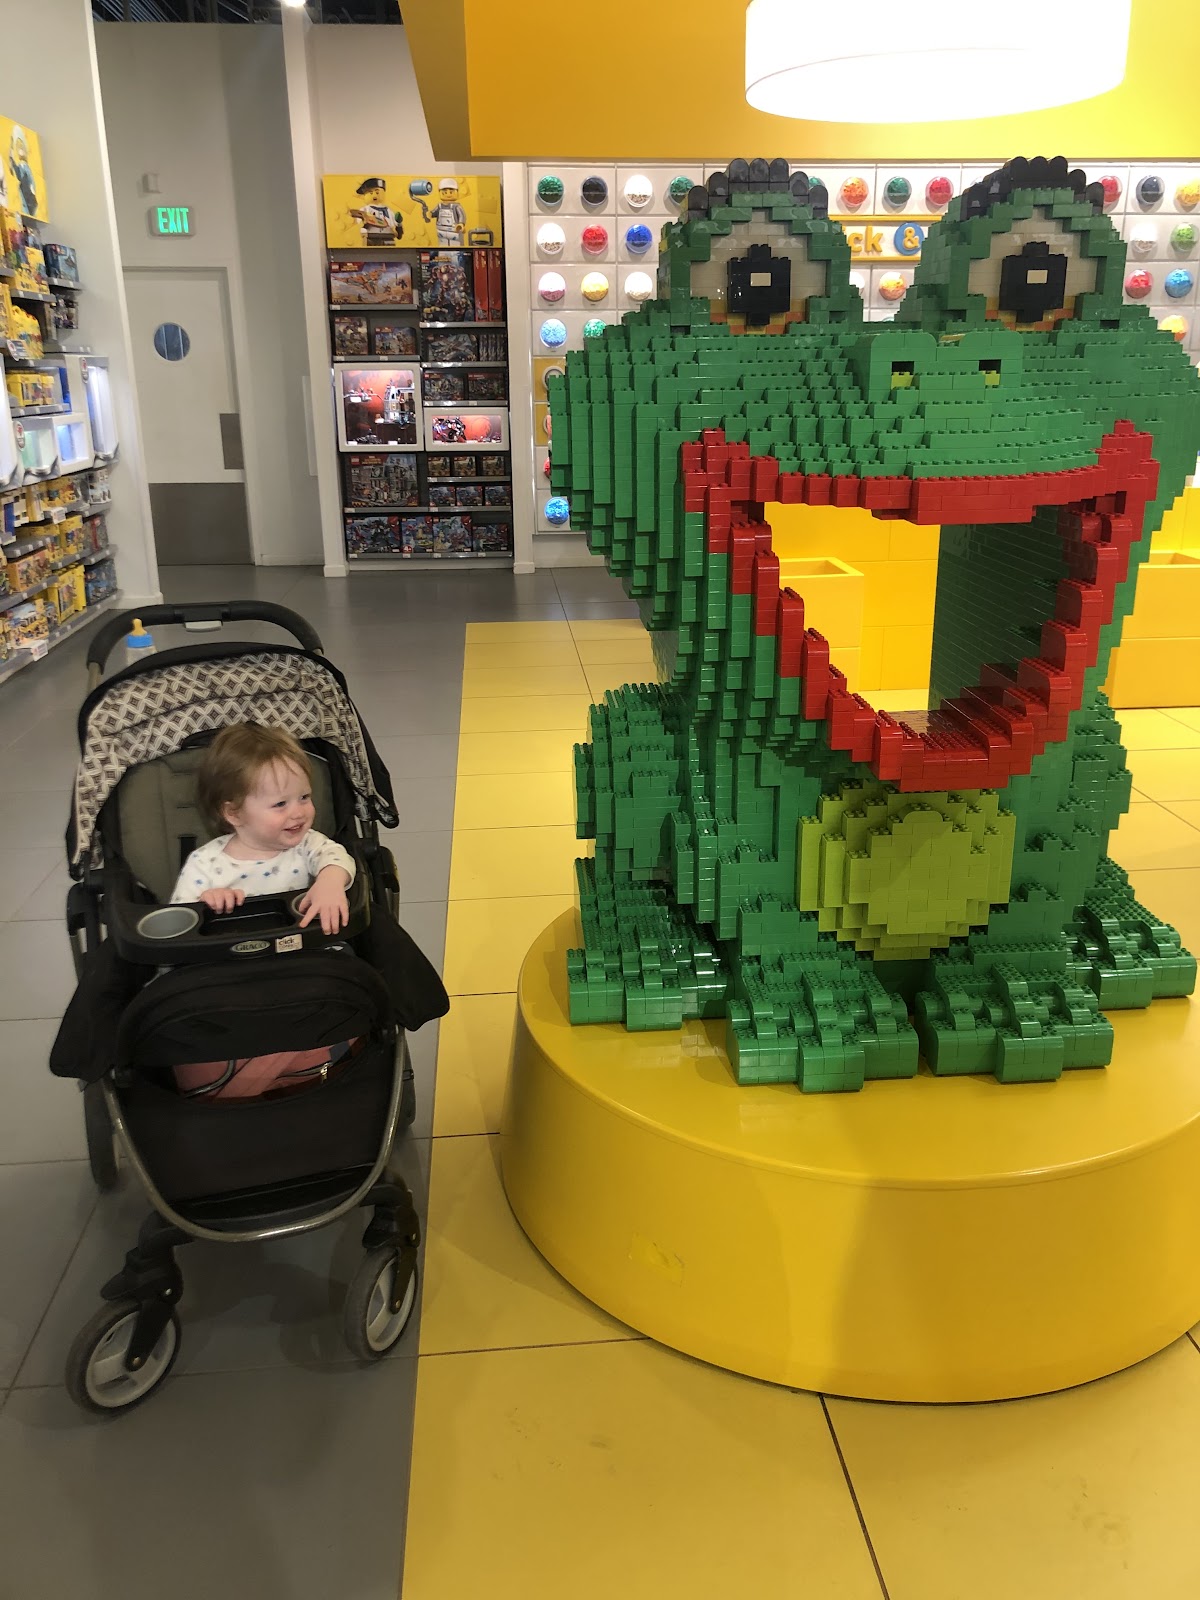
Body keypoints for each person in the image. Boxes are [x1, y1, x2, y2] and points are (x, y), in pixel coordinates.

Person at [172, 723, 353, 935]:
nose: (298, 813)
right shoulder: (204, 863)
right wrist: (205, 904)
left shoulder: (307, 844)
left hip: (300, 952)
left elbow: (338, 858)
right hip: (231, 961)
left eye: (304, 797)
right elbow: (178, 922)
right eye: (280, 804)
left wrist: (329, 883)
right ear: (235, 813)